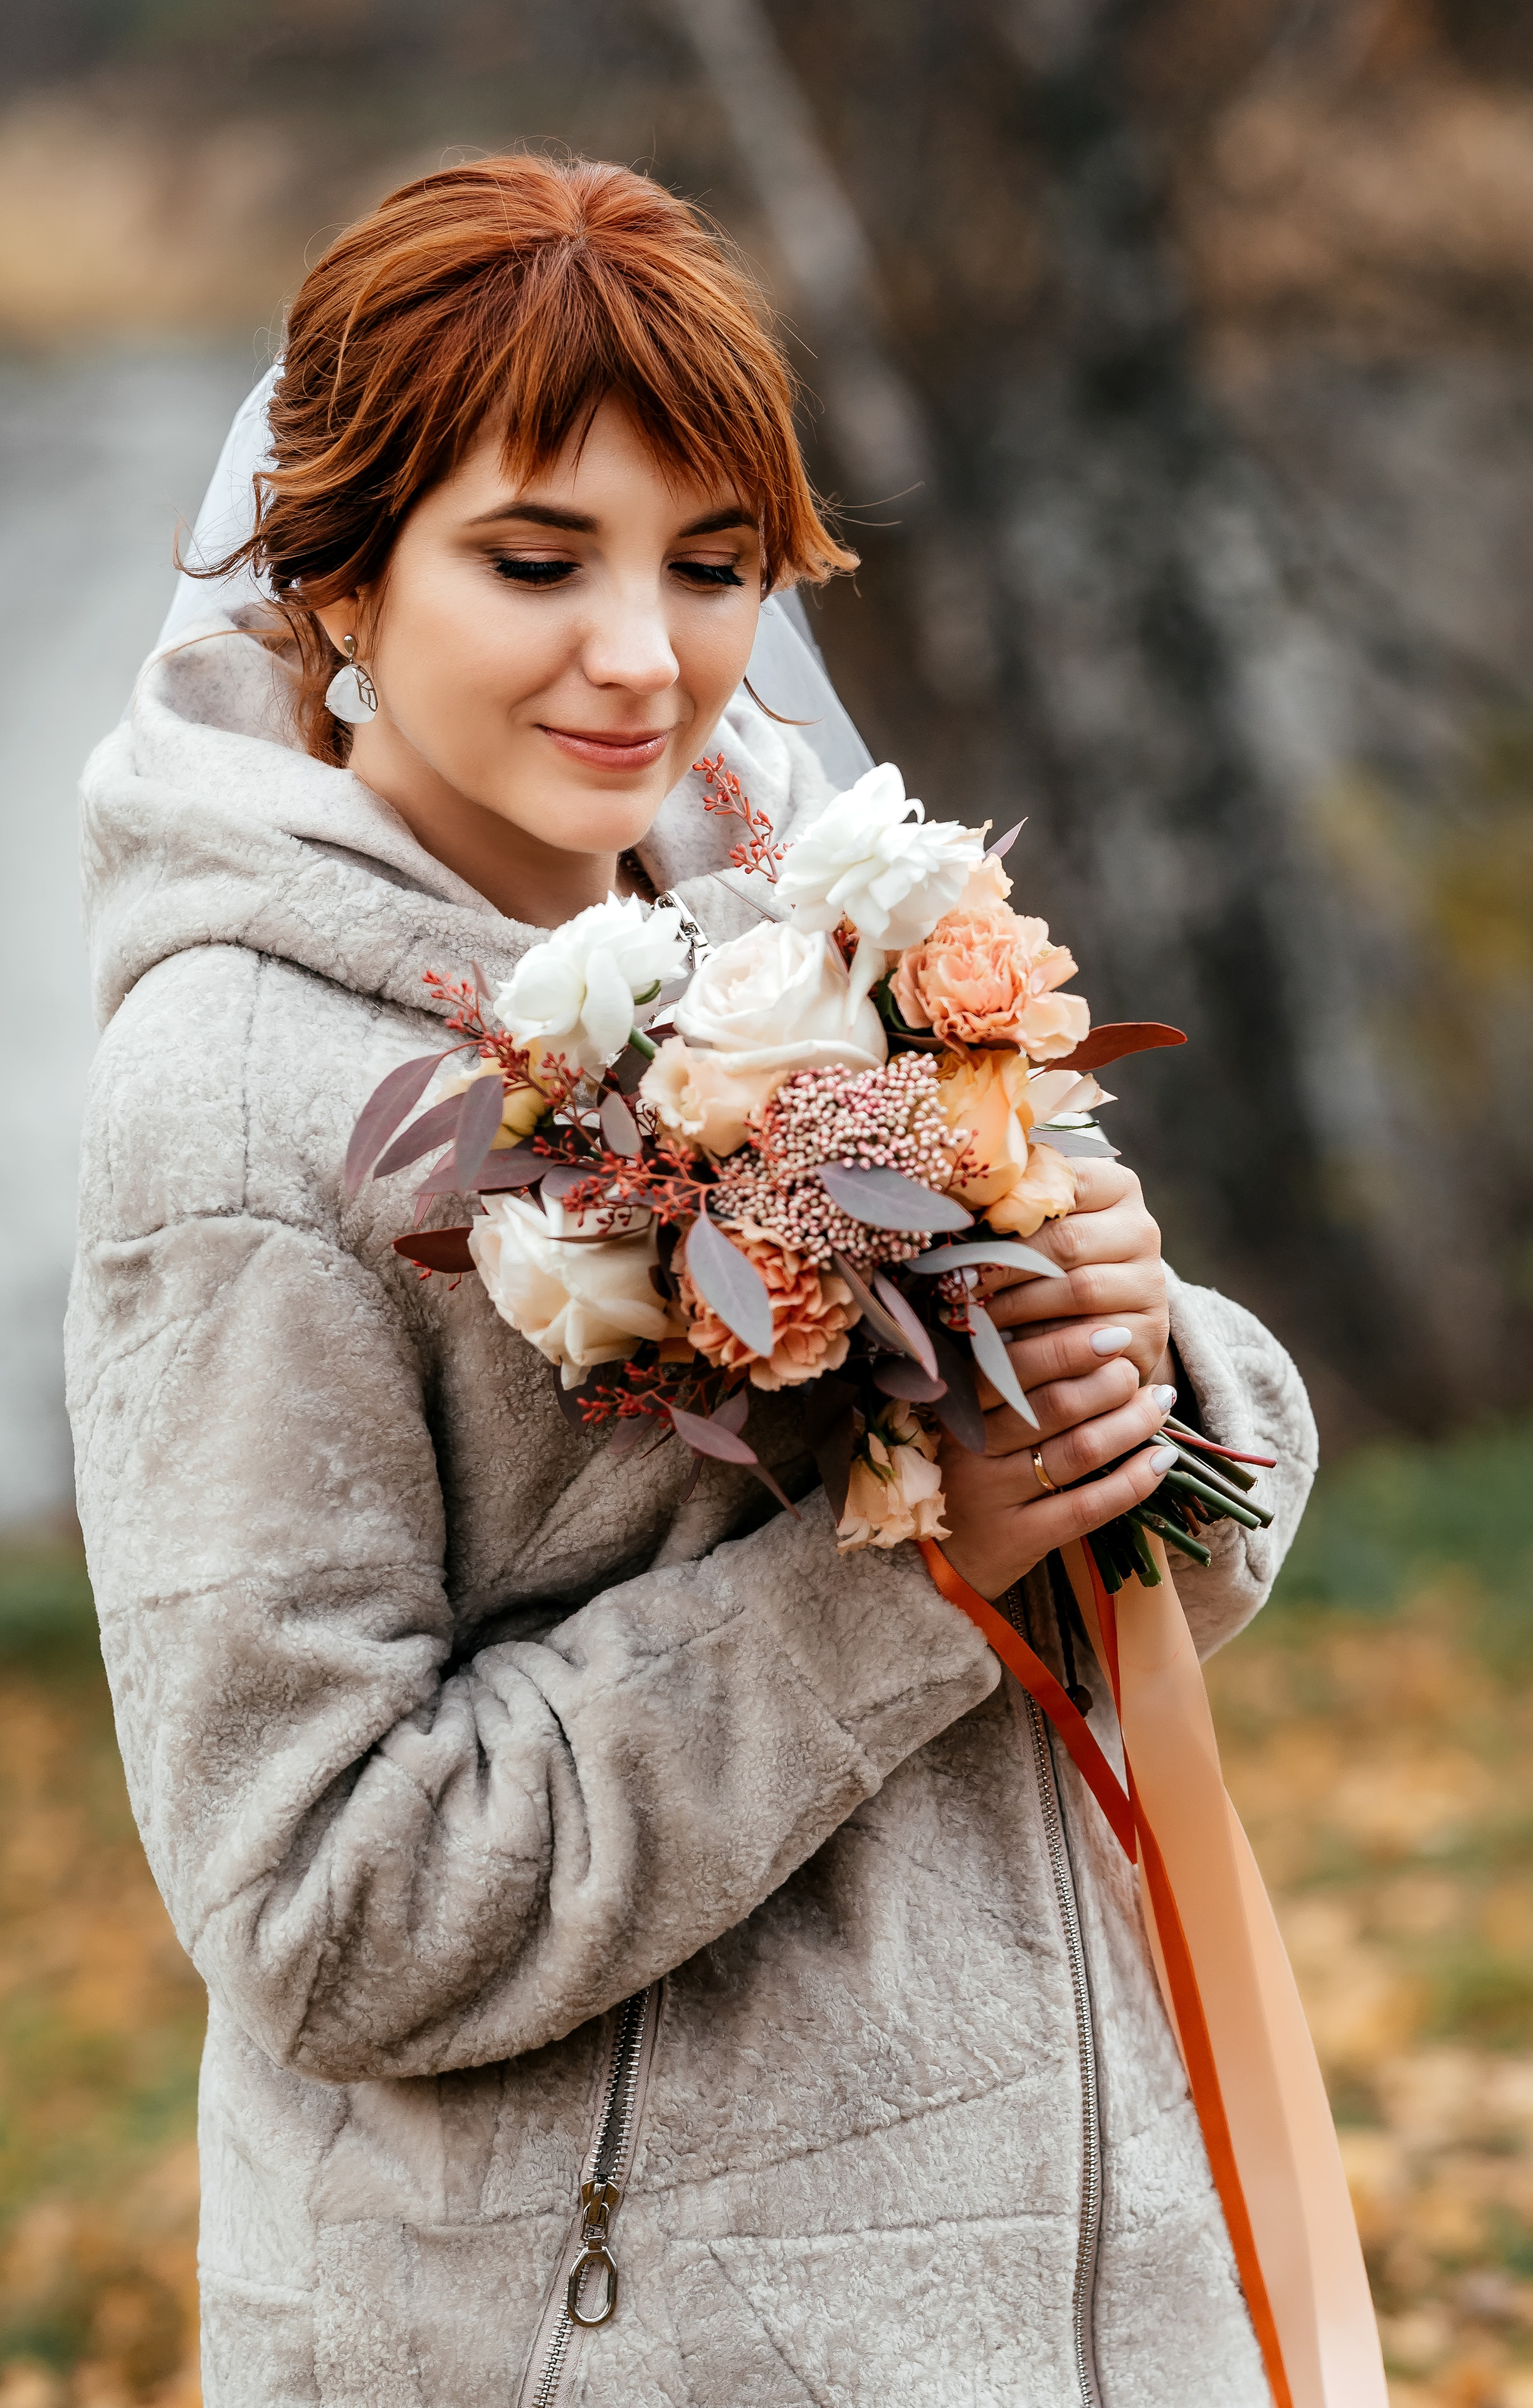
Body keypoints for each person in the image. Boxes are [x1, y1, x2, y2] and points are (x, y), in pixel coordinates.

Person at [66, 154, 1315, 2408]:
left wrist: (1139, 1363)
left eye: (716, 564)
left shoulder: (808, 923)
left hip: (1069, 2301)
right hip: (614, 2346)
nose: (648, 657)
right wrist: (899, 1586)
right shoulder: (233, 1106)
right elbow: (326, 1913)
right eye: (537, 561)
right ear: (335, 579)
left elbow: (1148, 1577)